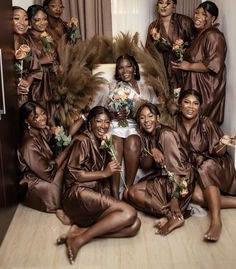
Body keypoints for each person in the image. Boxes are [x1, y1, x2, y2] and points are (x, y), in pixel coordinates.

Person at [58, 106, 141, 264]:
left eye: (107, 122)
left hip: (93, 196)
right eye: (99, 121)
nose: (103, 125)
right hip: (77, 195)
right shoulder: (82, 140)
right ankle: (79, 240)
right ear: (90, 123)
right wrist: (105, 173)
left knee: (134, 226)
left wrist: (109, 150)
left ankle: (82, 232)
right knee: (129, 213)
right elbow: (73, 174)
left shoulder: (103, 142)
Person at [172, 89, 236, 241]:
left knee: (206, 167)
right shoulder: (173, 122)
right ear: (180, 104)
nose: (190, 107)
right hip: (193, 168)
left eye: (195, 103)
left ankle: (216, 222)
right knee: (196, 196)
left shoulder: (206, 122)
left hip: (215, 164)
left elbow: (218, 152)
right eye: (187, 102)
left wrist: (222, 143)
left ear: (200, 107)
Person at [124, 102, 194, 235]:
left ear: (158, 117)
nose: (146, 121)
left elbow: (176, 170)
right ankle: (173, 215)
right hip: (165, 177)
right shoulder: (146, 136)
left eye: (150, 116)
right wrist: (152, 150)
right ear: (139, 121)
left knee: (132, 193)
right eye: (142, 117)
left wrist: (174, 200)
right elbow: (145, 165)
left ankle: (174, 216)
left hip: (180, 181)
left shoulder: (165, 134)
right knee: (128, 195)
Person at [107, 54, 159, 199]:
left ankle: (128, 190)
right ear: (117, 71)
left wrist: (139, 113)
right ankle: (114, 193)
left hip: (136, 126)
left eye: (128, 66)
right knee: (115, 143)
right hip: (116, 124)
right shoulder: (111, 86)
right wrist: (114, 114)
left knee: (134, 142)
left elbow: (155, 110)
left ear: (134, 68)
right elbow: (101, 112)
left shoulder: (146, 88)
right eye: (120, 67)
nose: (125, 70)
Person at [172, 1, 226, 124]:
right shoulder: (199, 35)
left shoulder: (213, 35)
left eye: (203, 14)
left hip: (206, 90)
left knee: (202, 125)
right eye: (196, 13)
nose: (197, 16)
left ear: (212, 18)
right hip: (194, 86)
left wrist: (188, 66)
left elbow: (214, 65)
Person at [17, 101, 71, 214]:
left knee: (71, 161)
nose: (42, 118)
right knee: (68, 164)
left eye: (43, 113)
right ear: (27, 121)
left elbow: (60, 134)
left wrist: (82, 117)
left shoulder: (40, 130)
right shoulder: (29, 144)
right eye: (36, 117)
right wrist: (66, 151)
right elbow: (48, 174)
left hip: (46, 171)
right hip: (36, 183)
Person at [146, 0, 195, 94]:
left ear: (174, 6)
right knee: (165, 101)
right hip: (162, 70)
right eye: (161, 2)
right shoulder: (153, 26)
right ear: (157, 5)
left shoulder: (185, 21)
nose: (163, 6)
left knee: (183, 100)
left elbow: (195, 45)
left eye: (167, 3)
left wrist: (181, 50)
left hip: (182, 70)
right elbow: (149, 51)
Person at [25, 4, 61, 125]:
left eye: (44, 19)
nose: (42, 22)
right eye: (37, 20)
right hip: (37, 85)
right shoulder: (26, 39)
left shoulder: (48, 36)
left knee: (55, 116)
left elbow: (55, 58)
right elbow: (21, 65)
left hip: (52, 82)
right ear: (30, 21)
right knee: (40, 115)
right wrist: (41, 61)